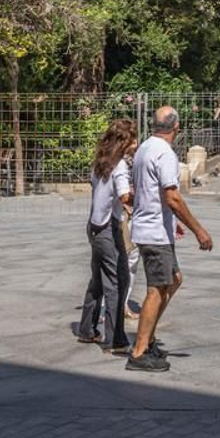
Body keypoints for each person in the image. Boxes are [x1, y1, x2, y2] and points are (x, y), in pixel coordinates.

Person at [126, 106, 212, 374]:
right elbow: (172, 197)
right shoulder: (165, 153)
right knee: (157, 289)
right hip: (154, 233)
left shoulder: (145, 148)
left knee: (173, 280)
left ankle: (148, 337)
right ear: (176, 127)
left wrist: (173, 223)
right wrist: (199, 230)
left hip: (152, 227)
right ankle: (139, 351)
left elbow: (148, 191)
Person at [76, 119, 136, 354]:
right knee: (118, 281)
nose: (136, 143)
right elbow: (124, 195)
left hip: (94, 226)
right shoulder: (119, 166)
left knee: (98, 281)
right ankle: (115, 339)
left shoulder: (100, 162)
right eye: (133, 139)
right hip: (108, 229)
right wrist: (141, 198)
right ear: (123, 141)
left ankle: (86, 329)